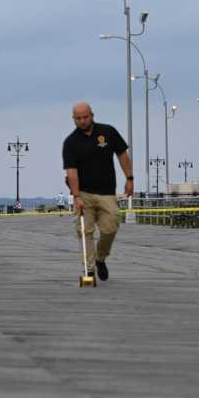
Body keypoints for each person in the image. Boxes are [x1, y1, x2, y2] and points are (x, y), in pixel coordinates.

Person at [63, 102, 133, 281]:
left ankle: (101, 258)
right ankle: (89, 270)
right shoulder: (71, 142)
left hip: (107, 192)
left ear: (92, 115)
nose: (82, 121)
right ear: (73, 119)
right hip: (84, 193)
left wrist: (129, 178)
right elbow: (71, 172)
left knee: (111, 227)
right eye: (78, 118)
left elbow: (122, 153)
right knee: (84, 231)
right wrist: (76, 196)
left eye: (85, 117)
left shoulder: (108, 132)